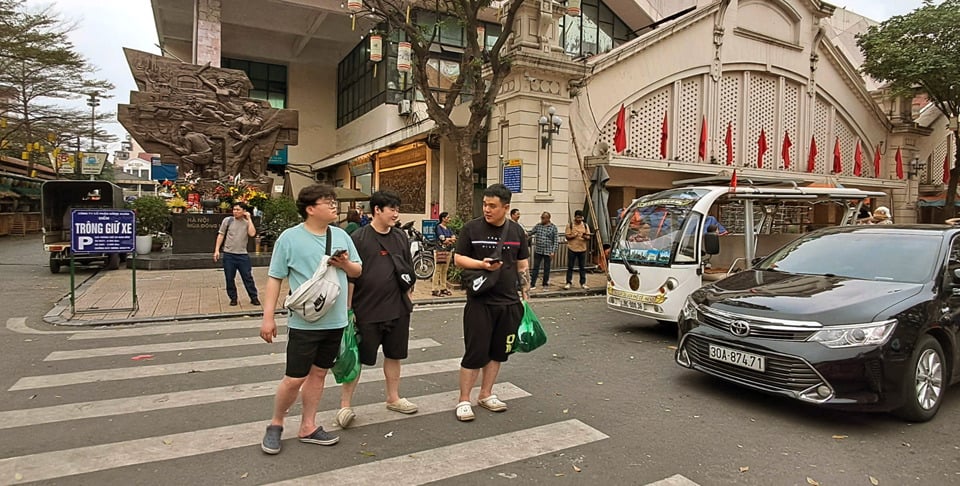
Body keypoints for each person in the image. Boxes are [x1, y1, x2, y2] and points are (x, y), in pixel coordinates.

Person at [258, 183, 362, 455]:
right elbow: (275, 278)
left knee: (319, 374)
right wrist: (268, 317)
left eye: (333, 201)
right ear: (310, 208)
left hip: (336, 320)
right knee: (294, 377)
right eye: (327, 202)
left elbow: (358, 271)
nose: (333, 206)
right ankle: (276, 423)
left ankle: (308, 426)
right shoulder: (289, 239)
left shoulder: (341, 235)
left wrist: (345, 265)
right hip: (305, 322)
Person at [336, 190, 419, 428]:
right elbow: (350, 277)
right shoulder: (359, 238)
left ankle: (393, 398)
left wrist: (408, 296)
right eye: (391, 209)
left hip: (397, 308)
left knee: (395, 355)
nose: (396, 213)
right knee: (358, 357)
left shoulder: (401, 237)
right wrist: (349, 309)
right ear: (377, 210)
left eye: (397, 209)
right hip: (367, 309)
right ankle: (345, 405)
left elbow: (407, 269)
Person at [453, 183, 530, 422]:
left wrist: (525, 297)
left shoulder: (517, 232)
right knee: (475, 353)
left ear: (506, 208)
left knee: (498, 352)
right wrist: (482, 265)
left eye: (492, 206)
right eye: (485, 204)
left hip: (508, 303)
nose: (487, 209)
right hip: (480, 302)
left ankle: (486, 394)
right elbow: (458, 259)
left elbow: (522, 265)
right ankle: (464, 399)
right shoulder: (471, 229)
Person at [214, 203, 260, 306]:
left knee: (247, 277)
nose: (235, 211)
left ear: (244, 211)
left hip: (242, 255)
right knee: (229, 278)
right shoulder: (228, 220)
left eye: (238, 210)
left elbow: (252, 234)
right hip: (229, 254)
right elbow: (221, 235)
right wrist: (217, 250)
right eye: (234, 209)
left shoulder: (247, 222)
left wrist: (249, 219)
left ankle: (254, 297)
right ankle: (233, 298)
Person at [528, 211, 558, 290]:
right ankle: (532, 284)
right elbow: (531, 233)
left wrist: (553, 251)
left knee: (546, 268)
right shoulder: (538, 226)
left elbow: (555, 240)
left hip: (548, 251)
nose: (541, 219)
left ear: (548, 218)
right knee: (535, 267)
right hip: (538, 250)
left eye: (543, 218)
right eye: (541, 217)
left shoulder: (553, 227)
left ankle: (545, 284)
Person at [564, 210, 591, 290]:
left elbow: (588, 237)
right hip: (572, 248)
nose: (579, 219)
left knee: (582, 267)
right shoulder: (570, 225)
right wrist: (573, 236)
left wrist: (584, 237)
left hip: (582, 249)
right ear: (575, 217)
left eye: (580, 218)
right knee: (570, 267)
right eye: (578, 217)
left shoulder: (585, 225)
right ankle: (568, 282)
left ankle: (583, 283)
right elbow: (567, 236)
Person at [432, 211, 456, 297]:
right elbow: (443, 239)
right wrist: (449, 239)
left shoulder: (448, 228)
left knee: (444, 270)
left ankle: (443, 287)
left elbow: (453, 237)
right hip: (440, 250)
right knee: (438, 269)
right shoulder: (438, 227)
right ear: (443, 218)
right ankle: (434, 289)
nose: (449, 219)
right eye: (448, 217)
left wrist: (449, 239)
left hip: (448, 250)